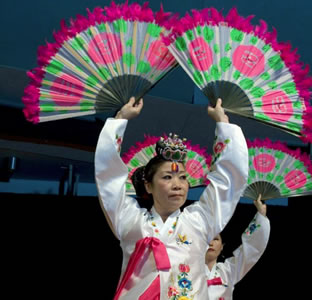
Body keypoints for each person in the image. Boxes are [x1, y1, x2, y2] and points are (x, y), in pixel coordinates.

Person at [94, 96, 249, 299]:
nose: (177, 185)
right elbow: (108, 180)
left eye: (183, 178)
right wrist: (120, 120)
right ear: (148, 186)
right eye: (167, 177)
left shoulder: (200, 220)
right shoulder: (130, 220)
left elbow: (228, 182)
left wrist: (224, 125)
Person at [205, 194, 270, 300]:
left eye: (216, 239)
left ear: (222, 246)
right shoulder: (186, 269)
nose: (211, 243)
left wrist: (261, 215)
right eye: (207, 240)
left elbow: (250, 249)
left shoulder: (228, 270)